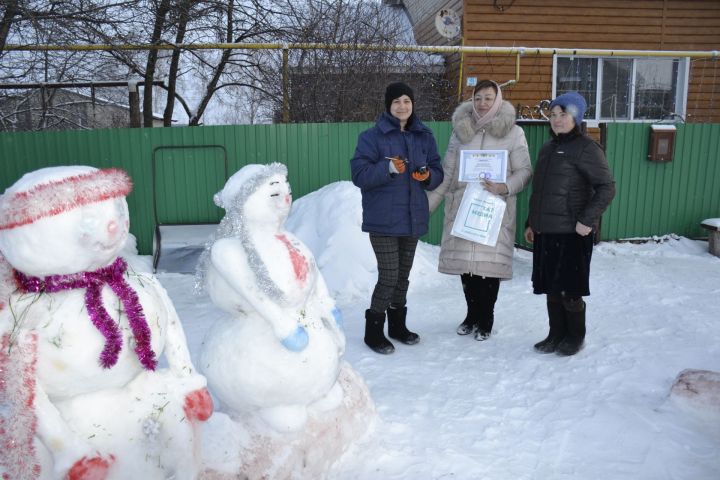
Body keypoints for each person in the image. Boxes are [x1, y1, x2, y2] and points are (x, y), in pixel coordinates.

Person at [428, 79, 532, 341]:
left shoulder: (514, 133)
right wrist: (429, 205)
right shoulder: (460, 132)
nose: (482, 103)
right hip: (463, 209)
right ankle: (471, 315)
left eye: (488, 98)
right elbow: (448, 173)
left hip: (494, 211)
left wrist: (504, 186)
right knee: (467, 267)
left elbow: (525, 172)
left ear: (497, 100)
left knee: (488, 268)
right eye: (478, 98)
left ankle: (486, 318)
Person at [351, 82, 444, 354]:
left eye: (407, 101)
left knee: (403, 276)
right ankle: (373, 331)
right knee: (389, 276)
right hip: (383, 220)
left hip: (412, 217)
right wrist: (388, 167)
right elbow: (359, 175)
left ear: (412, 104)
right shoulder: (372, 137)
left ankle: (398, 326)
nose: (402, 106)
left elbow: (437, 169)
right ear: (388, 106)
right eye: (397, 102)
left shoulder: (424, 136)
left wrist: (428, 176)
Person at [524, 91, 616, 356]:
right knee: (551, 288)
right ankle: (555, 334)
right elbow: (540, 191)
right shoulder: (547, 148)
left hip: (572, 233)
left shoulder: (587, 148)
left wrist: (587, 221)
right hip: (546, 230)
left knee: (570, 290)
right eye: (552, 115)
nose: (556, 119)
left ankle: (575, 337)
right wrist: (532, 222)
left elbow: (607, 187)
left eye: (563, 114)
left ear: (576, 116)